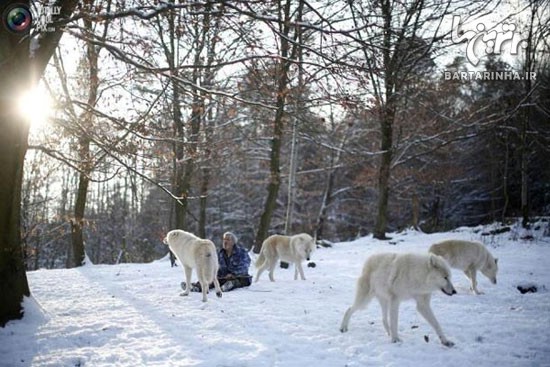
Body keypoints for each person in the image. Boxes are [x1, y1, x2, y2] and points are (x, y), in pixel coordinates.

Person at [182, 231, 252, 293]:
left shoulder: (241, 252)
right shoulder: (220, 254)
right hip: (223, 277)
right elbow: (214, 266)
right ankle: (197, 287)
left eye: (228, 240)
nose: (225, 242)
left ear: (233, 242)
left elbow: (245, 266)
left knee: (239, 281)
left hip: (239, 277)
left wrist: (233, 274)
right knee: (211, 279)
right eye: (224, 239)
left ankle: (229, 285)